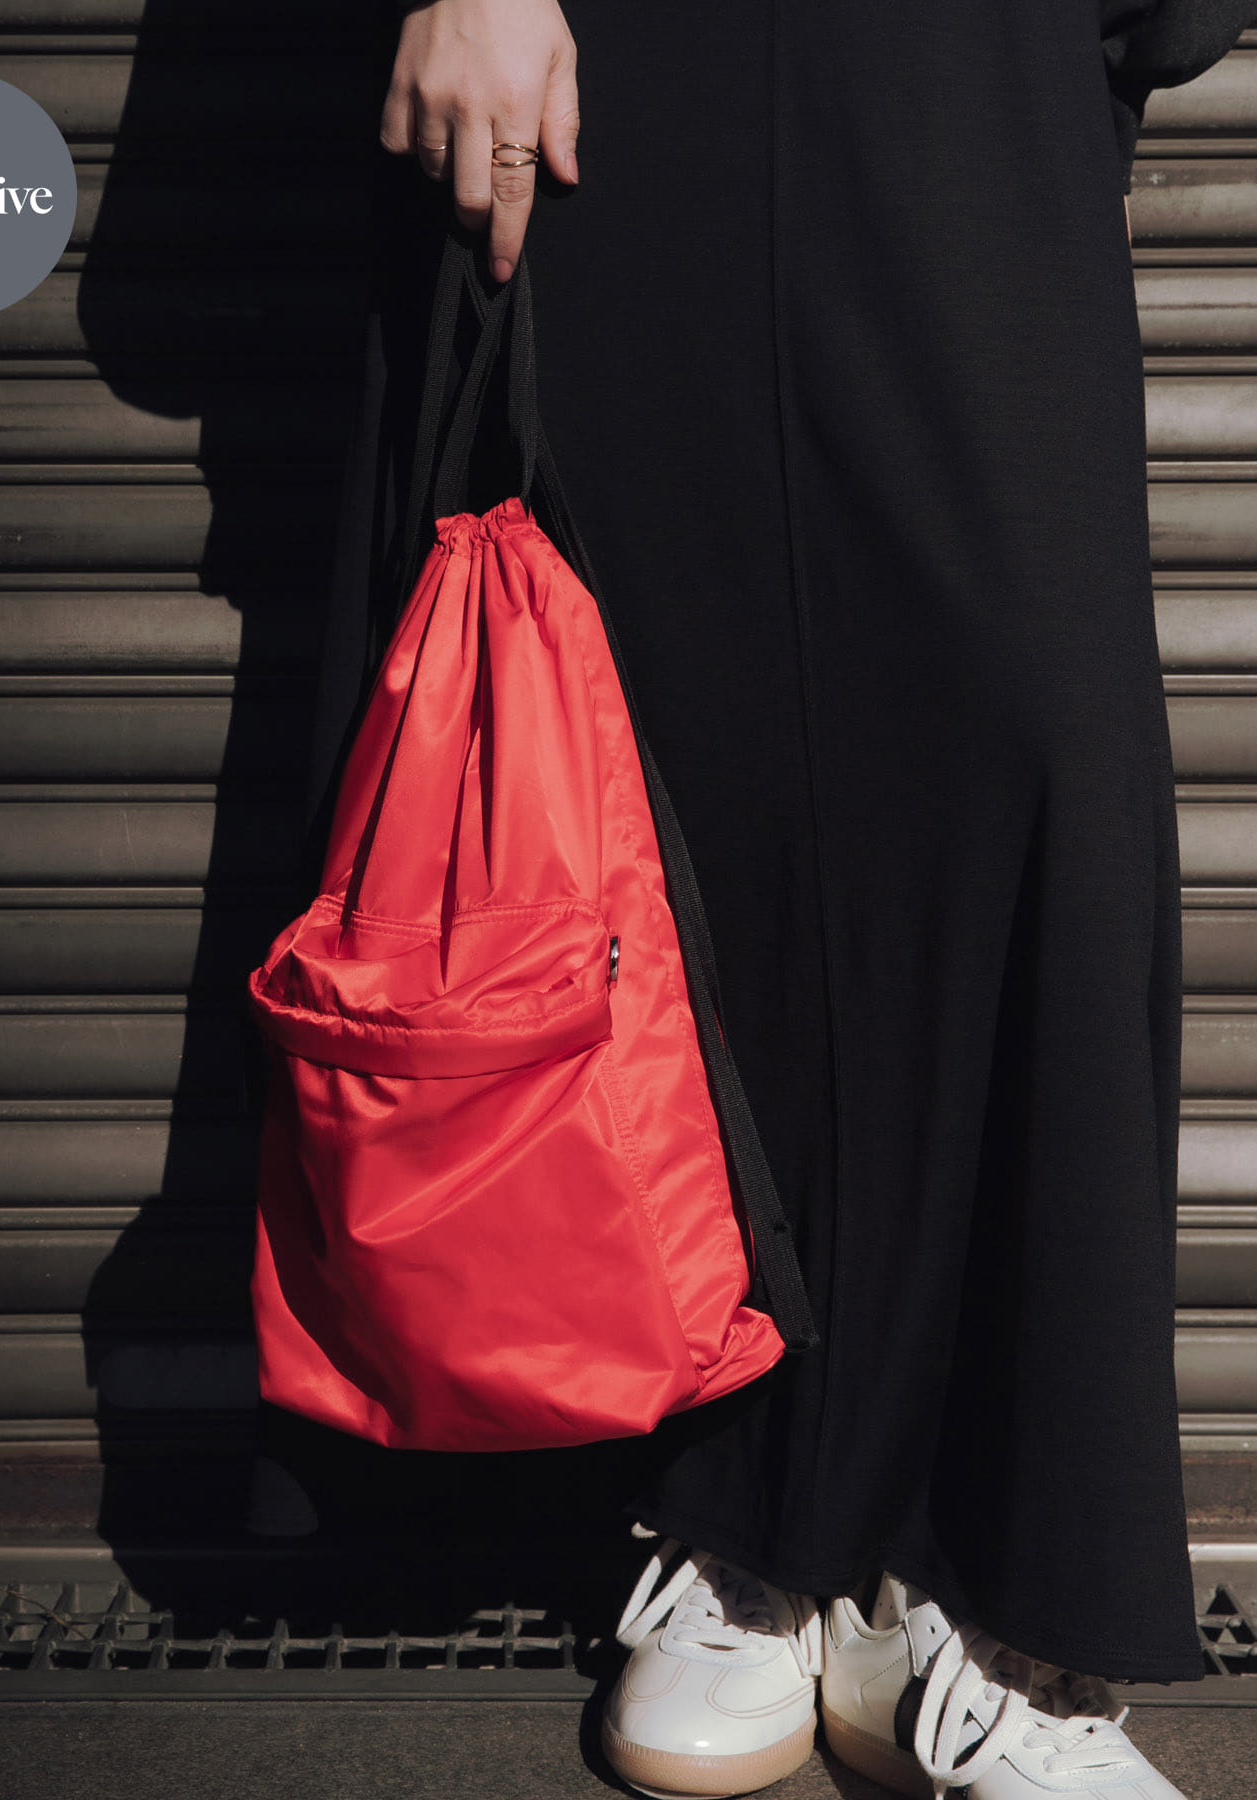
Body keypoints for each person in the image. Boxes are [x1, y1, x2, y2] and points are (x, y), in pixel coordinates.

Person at [256, 2, 1257, 1795]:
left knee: (1036, 741)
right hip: (629, 53)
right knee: (650, 732)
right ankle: (750, 1525)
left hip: (971, 52)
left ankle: (985, 1586)